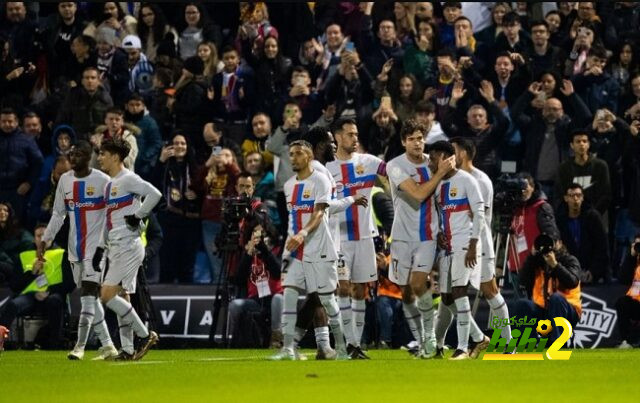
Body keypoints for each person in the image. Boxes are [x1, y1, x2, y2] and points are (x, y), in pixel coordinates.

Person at [38, 141, 117, 360]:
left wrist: (109, 243)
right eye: (72, 154)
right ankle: (109, 346)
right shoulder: (65, 180)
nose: (73, 158)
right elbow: (58, 214)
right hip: (75, 250)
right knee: (89, 298)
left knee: (87, 297)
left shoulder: (103, 181)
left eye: (79, 154)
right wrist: (46, 239)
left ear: (90, 156)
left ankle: (79, 347)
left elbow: (113, 215)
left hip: (96, 250)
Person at [270, 140, 345, 360]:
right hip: (296, 250)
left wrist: (303, 233)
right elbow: (293, 218)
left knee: (327, 300)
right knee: (290, 293)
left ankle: (341, 346)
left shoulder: (321, 180)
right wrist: (289, 245)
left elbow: (319, 212)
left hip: (319, 247)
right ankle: (288, 348)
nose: (293, 158)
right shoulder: (288, 185)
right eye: (291, 154)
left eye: (298, 153)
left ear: (309, 155)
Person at [386, 120, 454, 358]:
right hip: (402, 237)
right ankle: (419, 338)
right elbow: (417, 194)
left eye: (420, 138)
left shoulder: (432, 163)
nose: (417, 143)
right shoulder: (394, 166)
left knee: (418, 284)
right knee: (405, 292)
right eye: (412, 139)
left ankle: (429, 338)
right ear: (404, 141)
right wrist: (441, 173)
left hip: (427, 235)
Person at [95, 138, 161, 360]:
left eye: (103, 154)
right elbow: (109, 218)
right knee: (123, 296)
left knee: (106, 295)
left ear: (115, 156)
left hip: (128, 245)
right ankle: (128, 349)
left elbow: (155, 194)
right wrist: (101, 247)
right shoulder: (109, 184)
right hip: (116, 246)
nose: (100, 158)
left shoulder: (129, 178)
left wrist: (138, 215)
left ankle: (144, 335)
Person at [326, 118, 386, 356]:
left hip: (364, 237)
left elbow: (394, 173)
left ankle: (356, 345)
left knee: (360, 290)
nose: (355, 138)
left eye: (356, 134)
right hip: (339, 239)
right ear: (338, 137)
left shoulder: (369, 162)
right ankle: (347, 344)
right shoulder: (325, 168)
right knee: (343, 289)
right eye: (350, 134)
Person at [429, 140, 488, 360]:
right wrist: (439, 234)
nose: (430, 162)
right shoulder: (438, 185)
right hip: (447, 247)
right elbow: (438, 216)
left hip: (465, 244)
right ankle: (479, 337)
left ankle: (463, 347)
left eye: (433, 158)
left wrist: (473, 244)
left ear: (445, 157)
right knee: (446, 298)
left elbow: (479, 212)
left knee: (459, 292)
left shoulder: (466, 180)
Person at [450, 137, 512, 346]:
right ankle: (475, 339)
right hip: (458, 241)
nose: (450, 156)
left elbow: (475, 214)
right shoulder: (453, 178)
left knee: (490, 291)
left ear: (464, 154)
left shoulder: (481, 180)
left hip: (480, 244)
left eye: (454, 151)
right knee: (450, 292)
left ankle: (508, 342)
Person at [0, 224, 75, 350]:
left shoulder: (63, 254)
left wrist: (49, 291)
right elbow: (14, 285)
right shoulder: (25, 255)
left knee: (54, 301)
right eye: (38, 236)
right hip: (30, 296)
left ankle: (54, 344)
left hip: (52, 294)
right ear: (34, 238)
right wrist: (32, 272)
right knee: (13, 304)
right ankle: (2, 340)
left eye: (45, 235)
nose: (42, 238)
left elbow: (70, 284)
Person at [229, 174, 283, 348]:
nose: (257, 235)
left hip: (274, 296)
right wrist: (247, 253)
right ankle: (241, 341)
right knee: (236, 304)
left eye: (260, 231)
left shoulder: (274, 247)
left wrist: (264, 250)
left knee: (279, 300)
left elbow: (277, 272)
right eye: (254, 232)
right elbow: (238, 279)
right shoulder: (249, 250)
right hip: (255, 298)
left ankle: (277, 338)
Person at [514, 234, 582, 345]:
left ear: (560, 243)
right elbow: (522, 282)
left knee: (556, 299)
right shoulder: (537, 262)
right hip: (544, 310)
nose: (547, 247)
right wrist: (531, 257)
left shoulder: (569, 260)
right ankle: (528, 345)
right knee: (522, 304)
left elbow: (572, 281)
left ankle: (557, 344)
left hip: (568, 311)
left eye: (551, 243)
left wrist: (555, 265)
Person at [154, 132, 202, 284]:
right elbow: (153, 184)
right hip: (169, 219)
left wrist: (197, 194)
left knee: (187, 263)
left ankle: (186, 293)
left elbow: (203, 188)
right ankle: (165, 297)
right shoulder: (165, 164)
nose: (180, 146)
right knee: (167, 261)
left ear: (188, 147)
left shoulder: (195, 166)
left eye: (183, 143)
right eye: (176, 143)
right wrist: (161, 161)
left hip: (190, 221)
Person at [507, 172, 560, 298]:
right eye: (520, 187)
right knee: (520, 308)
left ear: (533, 187)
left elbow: (552, 235)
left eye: (526, 186)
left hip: (536, 267)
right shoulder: (512, 208)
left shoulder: (541, 207)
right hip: (515, 266)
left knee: (535, 307)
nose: (523, 190)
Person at [556, 183, 609, 284]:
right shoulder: (559, 220)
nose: (575, 199)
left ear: (583, 198)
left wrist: (593, 271)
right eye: (572, 196)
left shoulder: (593, 217)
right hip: (568, 275)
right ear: (566, 198)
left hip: (593, 274)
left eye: (578, 195)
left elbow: (602, 248)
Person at [554, 130, 611, 216]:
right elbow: (560, 194)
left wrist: (593, 214)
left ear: (588, 145)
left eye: (584, 141)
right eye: (578, 141)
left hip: (596, 216)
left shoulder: (600, 165)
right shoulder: (564, 168)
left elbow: (606, 194)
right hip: (571, 216)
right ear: (572, 145)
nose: (581, 144)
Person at [0, 108, 43, 219]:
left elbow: (38, 162)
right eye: (3, 121)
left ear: (16, 122)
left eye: (10, 121)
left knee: (16, 222)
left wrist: (29, 182)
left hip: (18, 191)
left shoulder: (26, 140)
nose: (7, 124)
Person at [56, 67, 114, 140]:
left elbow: (111, 122)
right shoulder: (73, 97)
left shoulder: (106, 99)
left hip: (100, 138)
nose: (90, 81)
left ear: (99, 81)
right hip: (78, 138)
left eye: (93, 78)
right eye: (87, 78)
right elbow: (63, 118)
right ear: (82, 81)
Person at [125, 93, 162, 180]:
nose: (135, 108)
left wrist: (143, 157)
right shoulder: (122, 120)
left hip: (142, 166)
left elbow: (156, 143)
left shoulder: (150, 122)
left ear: (143, 106)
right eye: (132, 105)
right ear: (126, 106)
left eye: (138, 105)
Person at [89, 107, 139, 172]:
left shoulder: (129, 138)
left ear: (122, 122)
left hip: (123, 175)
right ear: (105, 120)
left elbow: (129, 162)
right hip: (103, 177)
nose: (114, 122)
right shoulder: (99, 137)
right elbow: (93, 165)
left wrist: (103, 149)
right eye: (111, 119)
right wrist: (97, 149)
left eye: (117, 119)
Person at [615, 234, 640, 348]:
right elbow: (622, 278)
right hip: (636, 303)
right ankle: (626, 341)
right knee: (622, 303)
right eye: (637, 244)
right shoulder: (633, 260)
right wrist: (631, 257)